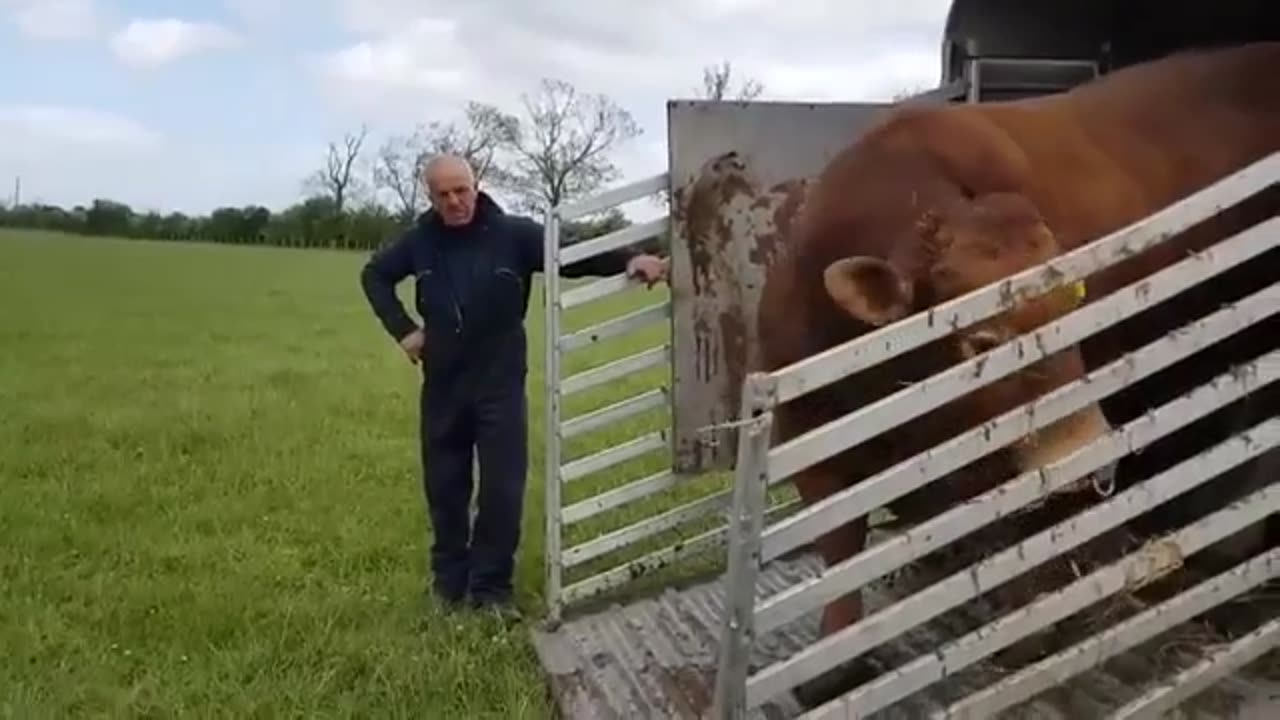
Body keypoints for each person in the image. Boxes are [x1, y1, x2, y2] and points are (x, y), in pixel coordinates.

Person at [359, 154, 669, 616]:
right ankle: (448, 585)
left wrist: (631, 258)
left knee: (502, 491)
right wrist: (404, 330)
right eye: (443, 194)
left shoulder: (514, 235)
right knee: (445, 488)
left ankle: (491, 591)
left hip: (500, 383)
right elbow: (375, 275)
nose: (455, 201)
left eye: (461, 190)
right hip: (443, 383)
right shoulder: (420, 241)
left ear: (477, 184)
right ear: (430, 196)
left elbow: (574, 250)